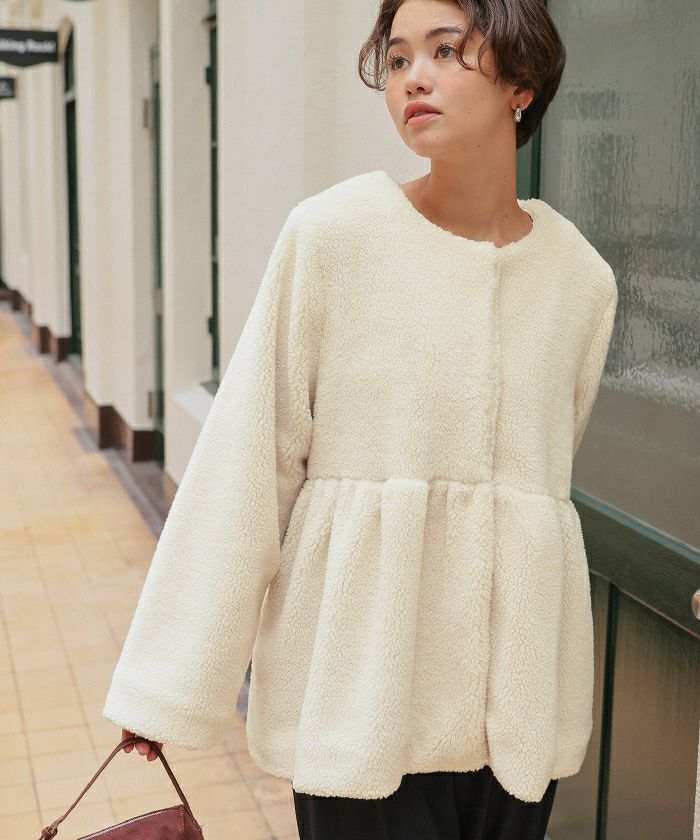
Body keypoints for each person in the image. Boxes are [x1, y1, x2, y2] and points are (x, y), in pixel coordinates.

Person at [104, 0, 618, 838]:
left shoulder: (581, 282)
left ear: (522, 82)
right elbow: (248, 460)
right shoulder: (334, 238)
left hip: (517, 718)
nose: (413, 78)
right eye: (399, 57)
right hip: (361, 703)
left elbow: (543, 481)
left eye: (445, 51)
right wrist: (169, 682)